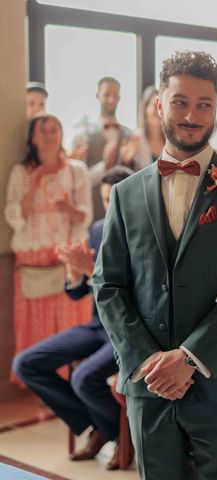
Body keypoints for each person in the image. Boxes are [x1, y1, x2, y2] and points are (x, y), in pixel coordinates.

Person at [93, 50, 217, 480]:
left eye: (203, 104)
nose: (191, 115)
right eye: (179, 102)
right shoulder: (125, 194)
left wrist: (189, 358)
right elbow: (108, 285)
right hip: (148, 386)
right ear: (159, 105)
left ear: (216, 109)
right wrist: (147, 362)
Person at [12, 166, 134, 471]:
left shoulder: (147, 233)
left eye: (115, 200)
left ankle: (120, 435)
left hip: (127, 330)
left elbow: (138, 297)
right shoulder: (97, 229)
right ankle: (101, 428)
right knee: (26, 364)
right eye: (106, 201)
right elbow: (80, 293)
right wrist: (74, 273)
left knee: (83, 378)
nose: (110, 208)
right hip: (96, 326)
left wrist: (90, 271)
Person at [5, 114, 93, 383]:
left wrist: (69, 209)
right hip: (34, 259)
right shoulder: (21, 172)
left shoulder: (76, 170)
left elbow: (86, 216)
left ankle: (73, 377)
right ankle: (42, 380)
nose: (48, 135)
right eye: (42, 130)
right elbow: (15, 218)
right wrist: (33, 185)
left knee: (71, 323)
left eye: (54, 129)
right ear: (33, 137)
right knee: (37, 324)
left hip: (67, 258)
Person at [70, 76, 136, 220]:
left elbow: (138, 178)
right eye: (107, 94)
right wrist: (104, 165)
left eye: (115, 95)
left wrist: (128, 162)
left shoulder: (129, 135)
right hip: (94, 213)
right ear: (97, 96)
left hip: (124, 214)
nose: (112, 99)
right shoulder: (83, 135)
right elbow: (79, 181)